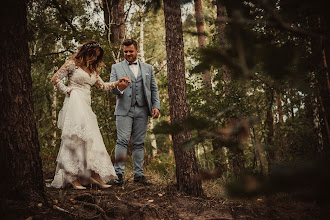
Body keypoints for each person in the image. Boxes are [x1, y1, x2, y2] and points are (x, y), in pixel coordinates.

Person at [50, 40, 130, 189]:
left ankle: (93, 174)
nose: (94, 59)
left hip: (86, 106)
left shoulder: (93, 71)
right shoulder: (72, 64)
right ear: (86, 52)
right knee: (75, 139)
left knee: (90, 139)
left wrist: (118, 82)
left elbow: (103, 86)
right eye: (92, 55)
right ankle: (72, 177)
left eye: (97, 57)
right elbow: (55, 79)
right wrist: (68, 90)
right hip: (74, 102)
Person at [110, 39, 160, 186]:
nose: (128, 54)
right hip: (124, 110)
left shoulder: (148, 68)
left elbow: (153, 89)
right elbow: (112, 89)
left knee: (139, 143)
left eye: (131, 51)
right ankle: (118, 174)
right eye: (125, 51)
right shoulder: (116, 67)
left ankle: (139, 175)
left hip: (143, 109)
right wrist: (121, 87)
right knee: (122, 141)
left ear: (137, 51)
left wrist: (156, 106)